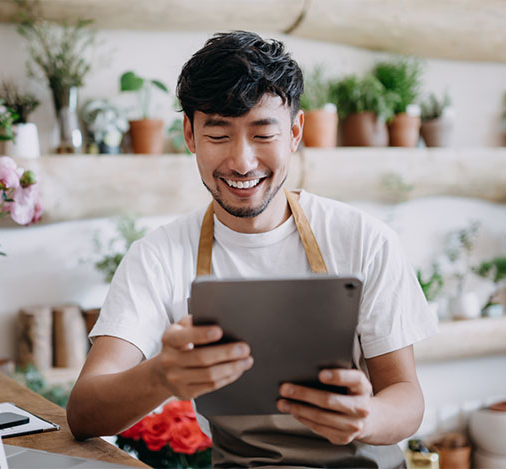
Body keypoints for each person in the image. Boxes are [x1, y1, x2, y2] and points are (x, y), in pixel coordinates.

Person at [67, 31, 437, 468]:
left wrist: (367, 416)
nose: (242, 162)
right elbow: (84, 411)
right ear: (189, 134)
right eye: (219, 135)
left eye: (263, 134)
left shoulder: (363, 239)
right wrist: (161, 374)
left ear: (295, 132)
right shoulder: (157, 256)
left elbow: (407, 397)